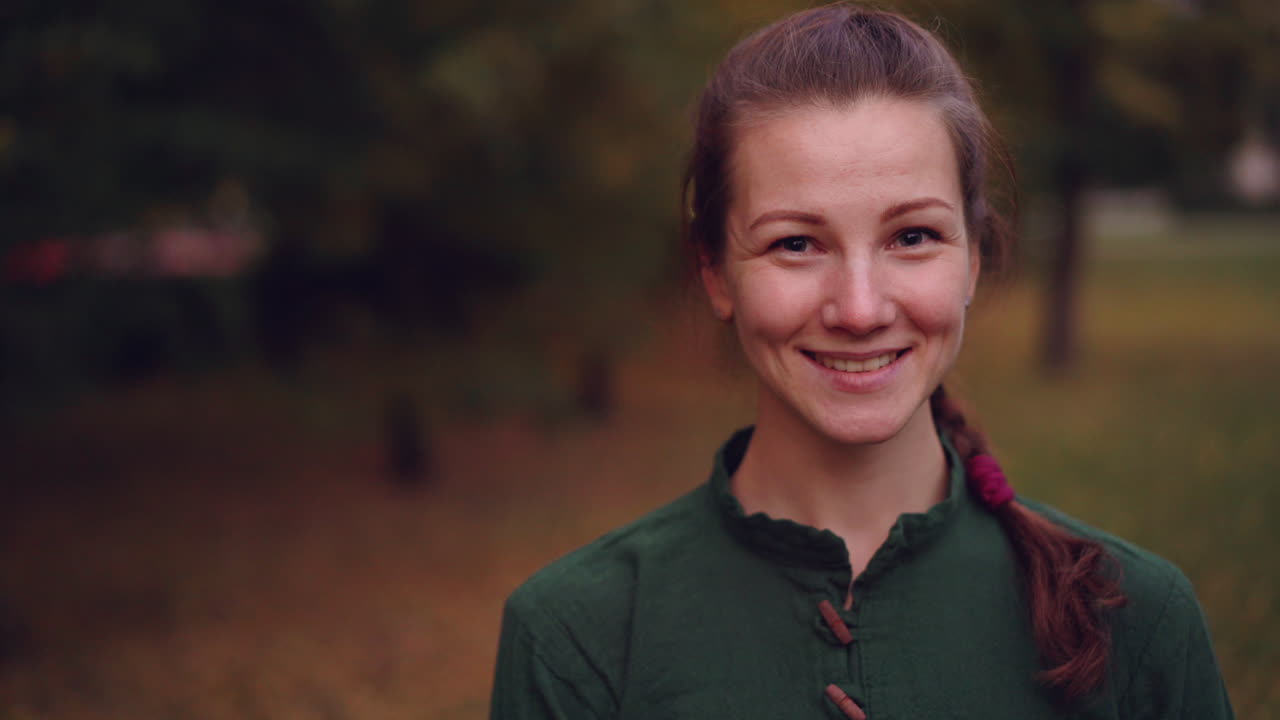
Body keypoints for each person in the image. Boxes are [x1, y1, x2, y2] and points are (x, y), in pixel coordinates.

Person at [489, 4, 1234, 718]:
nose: (860, 308)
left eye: (912, 237)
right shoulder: (575, 639)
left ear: (973, 257)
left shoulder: (1133, 619)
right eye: (795, 243)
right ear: (715, 271)